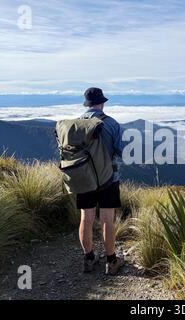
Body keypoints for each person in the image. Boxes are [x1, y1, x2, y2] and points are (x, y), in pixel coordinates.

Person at [77, 87, 125, 275]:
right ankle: (111, 261)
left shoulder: (75, 125)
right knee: (107, 220)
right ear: (102, 102)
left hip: (83, 178)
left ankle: (89, 258)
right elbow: (121, 151)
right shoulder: (112, 124)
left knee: (85, 218)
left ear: (86, 104)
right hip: (108, 178)